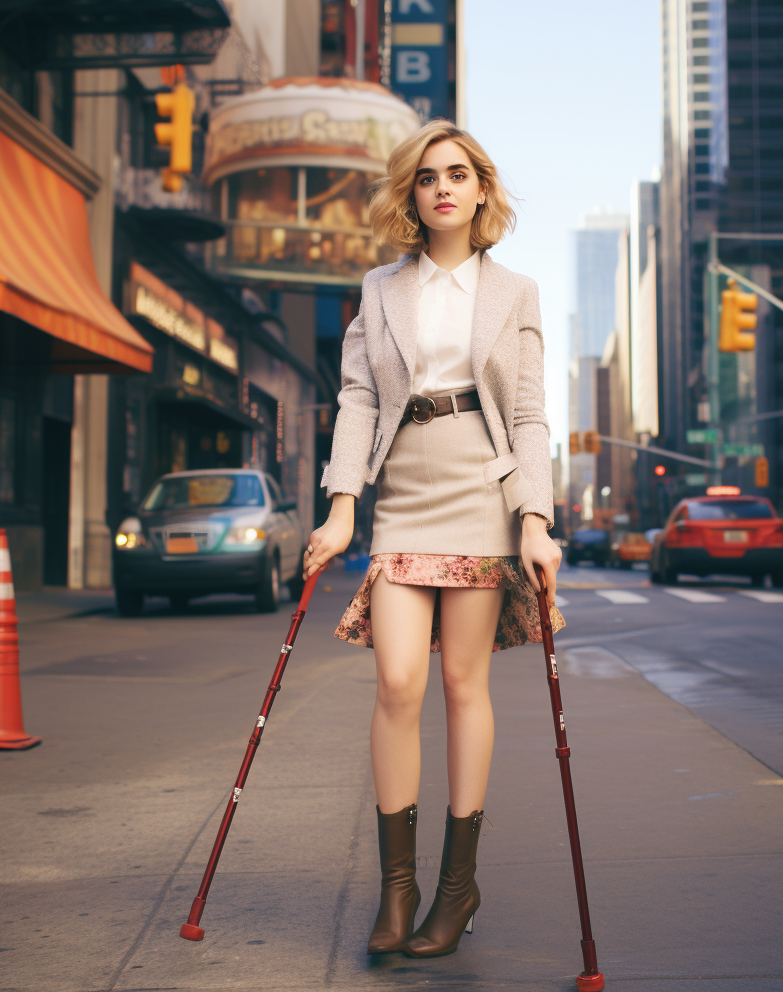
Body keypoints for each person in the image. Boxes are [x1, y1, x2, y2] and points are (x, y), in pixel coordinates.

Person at [302, 119, 564, 959]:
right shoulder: (381, 288)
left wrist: (536, 518)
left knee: (461, 683)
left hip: (480, 491)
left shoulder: (513, 290)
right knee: (397, 683)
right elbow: (356, 399)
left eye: (458, 173)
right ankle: (398, 890)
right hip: (404, 490)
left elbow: (527, 415)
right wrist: (342, 506)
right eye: (426, 177)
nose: (443, 186)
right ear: (411, 195)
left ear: (481, 189)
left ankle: (457, 888)